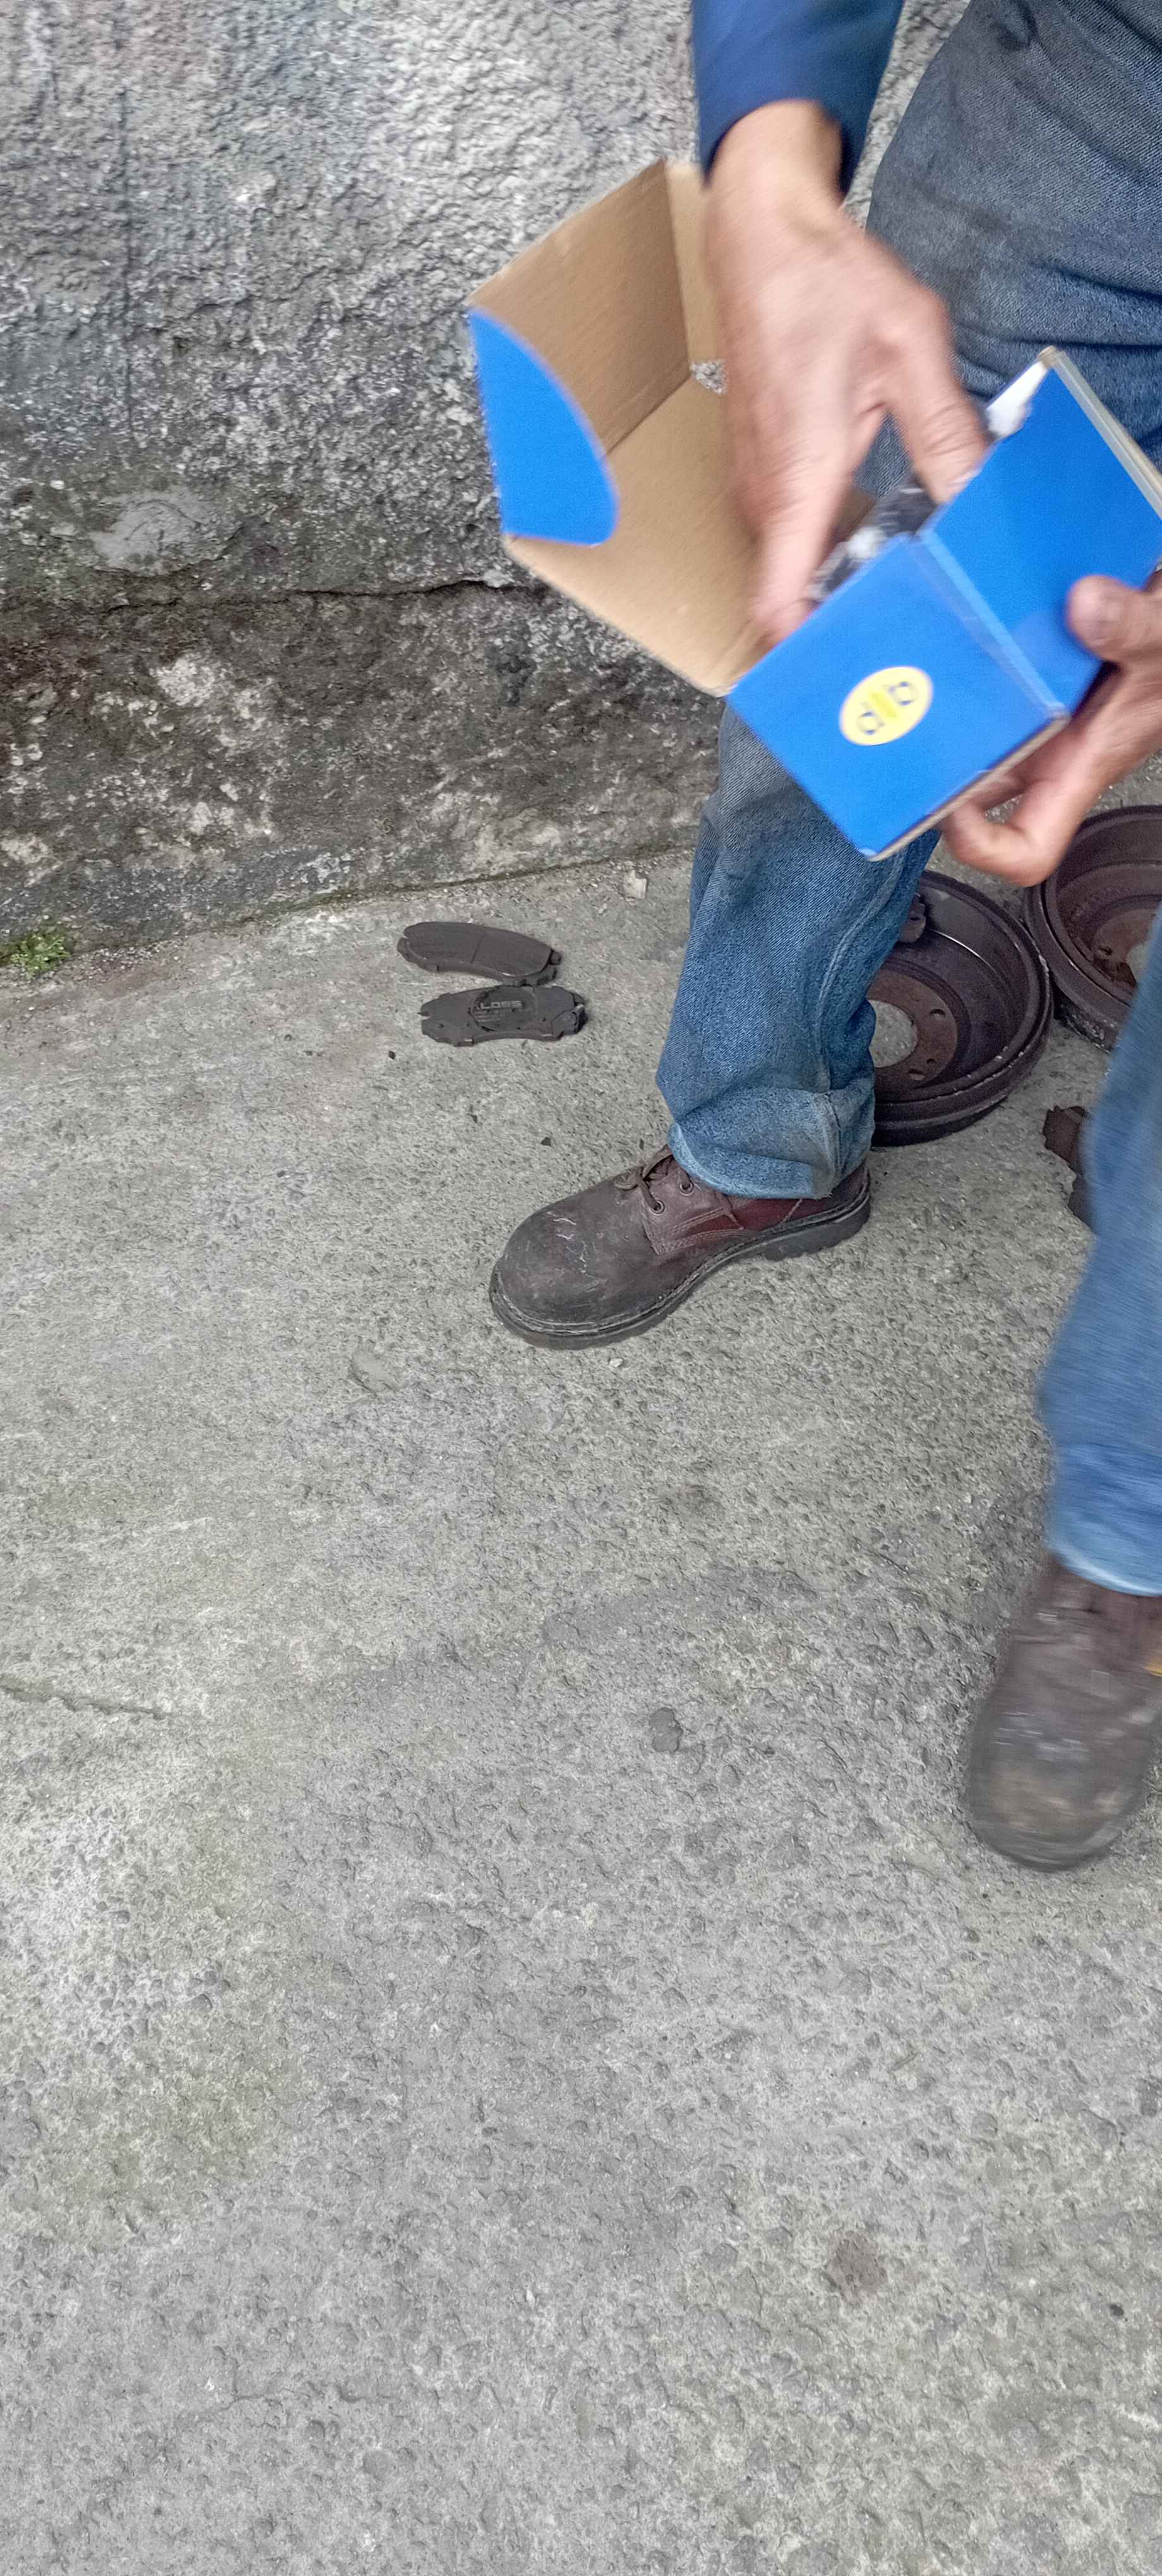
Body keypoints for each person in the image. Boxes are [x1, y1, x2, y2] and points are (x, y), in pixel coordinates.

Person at [489, 0, 1162, 1871]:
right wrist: (773, 156)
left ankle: (1132, 1526)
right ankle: (761, 1141)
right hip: (1108, 93)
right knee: (844, 633)